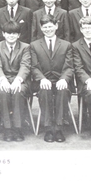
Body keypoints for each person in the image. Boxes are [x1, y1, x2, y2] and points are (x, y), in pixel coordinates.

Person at [31, 14, 73, 143]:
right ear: (41, 28)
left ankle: (59, 128)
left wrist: (64, 79)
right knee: (45, 90)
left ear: (56, 26)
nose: (48, 29)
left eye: (50, 26)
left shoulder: (66, 45)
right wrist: (42, 79)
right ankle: (48, 128)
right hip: (44, 80)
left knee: (62, 90)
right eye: (45, 27)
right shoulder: (34, 45)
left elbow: (69, 66)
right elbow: (34, 66)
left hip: (60, 79)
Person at [0, 20, 31, 142]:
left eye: (14, 33)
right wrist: (3, 80)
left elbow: (25, 65)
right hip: (2, 79)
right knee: (3, 92)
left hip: (20, 79)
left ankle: (17, 128)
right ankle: (7, 128)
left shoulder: (25, 47)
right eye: (8, 33)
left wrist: (18, 80)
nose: (11, 36)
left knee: (18, 91)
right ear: (3, 34)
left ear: (19, 35)